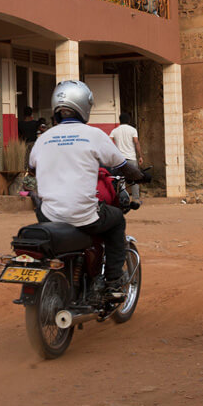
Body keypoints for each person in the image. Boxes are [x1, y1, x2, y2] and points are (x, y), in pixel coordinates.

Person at [28, 80, 144, 298]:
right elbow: (123, 166)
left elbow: (31, 169)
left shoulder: (43, 139)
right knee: (117, 219)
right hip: (84, 216)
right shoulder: (94, 135)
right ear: (84, 106)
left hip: (49, 215)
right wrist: (141, 176)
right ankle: (113, 281)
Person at [109, 112, 143, 198]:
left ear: (120, 120)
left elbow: (108, 141)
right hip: (131, 158)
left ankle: (123, 198)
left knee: (121, 180)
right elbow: (136, 142)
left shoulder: (115, 131)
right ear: (128, 120)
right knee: (135, 179)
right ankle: (136, 198)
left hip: (120, 160)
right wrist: (140, 156)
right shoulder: (133, 130)